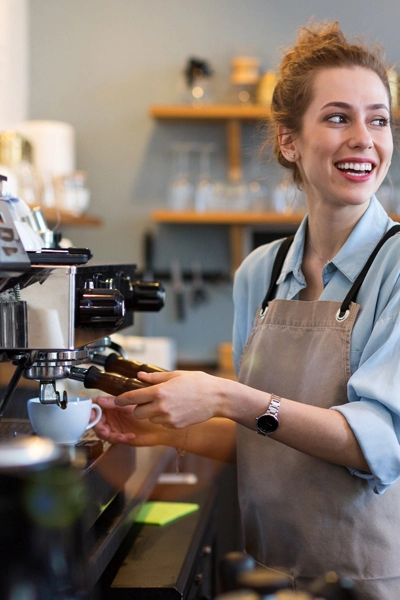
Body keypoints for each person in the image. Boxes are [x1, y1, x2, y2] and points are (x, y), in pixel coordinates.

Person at [93, 21, 400, 599]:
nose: (365, 137)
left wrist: (224, 395)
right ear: (289, 141)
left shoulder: (397, 266)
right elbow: (264, 437)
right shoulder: (260, 271)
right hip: (269, 569)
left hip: (368, 579)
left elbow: (378, 445)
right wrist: (162, 431)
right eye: (338, 117)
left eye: (378, 118)